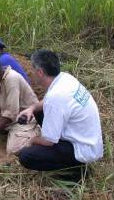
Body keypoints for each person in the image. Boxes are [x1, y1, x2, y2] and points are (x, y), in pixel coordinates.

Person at [17, 49, 103, 179]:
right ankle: (69, 161)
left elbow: (49, 142)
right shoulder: (64, 78)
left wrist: (32, 140)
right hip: (89, 139)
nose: (31, 74)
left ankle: (74, 171)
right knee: (38, 111)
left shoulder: (56, 97)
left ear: (40, 72)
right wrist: (32, 108)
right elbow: (48, 102)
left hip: (82, 150)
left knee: (26, 156)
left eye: (33, 70)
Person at [0, 54, 40, 154]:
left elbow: (12, 112)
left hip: (27, 117)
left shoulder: (12, 78)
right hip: (14, 113)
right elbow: (7, 105)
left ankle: (37, 132)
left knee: (12, 150)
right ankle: (6, 129)